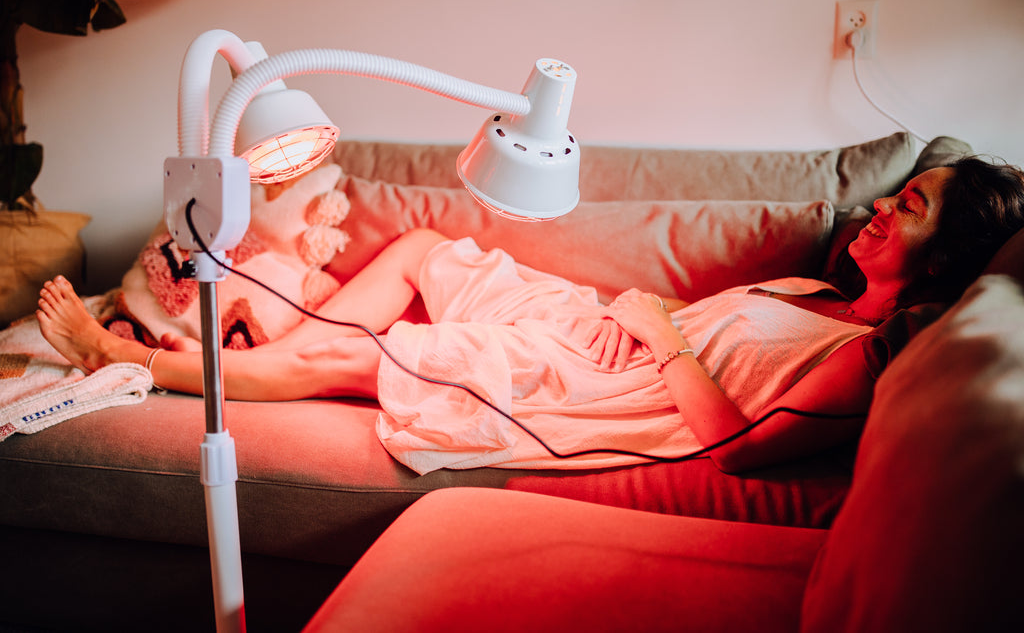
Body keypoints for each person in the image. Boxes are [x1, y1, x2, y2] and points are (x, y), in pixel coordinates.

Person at [36, 157, 1024, 474]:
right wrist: (642, 314)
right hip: (603, 328)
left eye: (912, 208)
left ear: (947, 252)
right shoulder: (820, 292)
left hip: (623, 382)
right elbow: (704, 322)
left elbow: (737, 447)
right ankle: (255, 340)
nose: (885, 208)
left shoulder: (859, 355)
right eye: (897, 193)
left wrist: (663, 332)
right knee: (424, 248)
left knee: (387, 353)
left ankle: (144, 364)